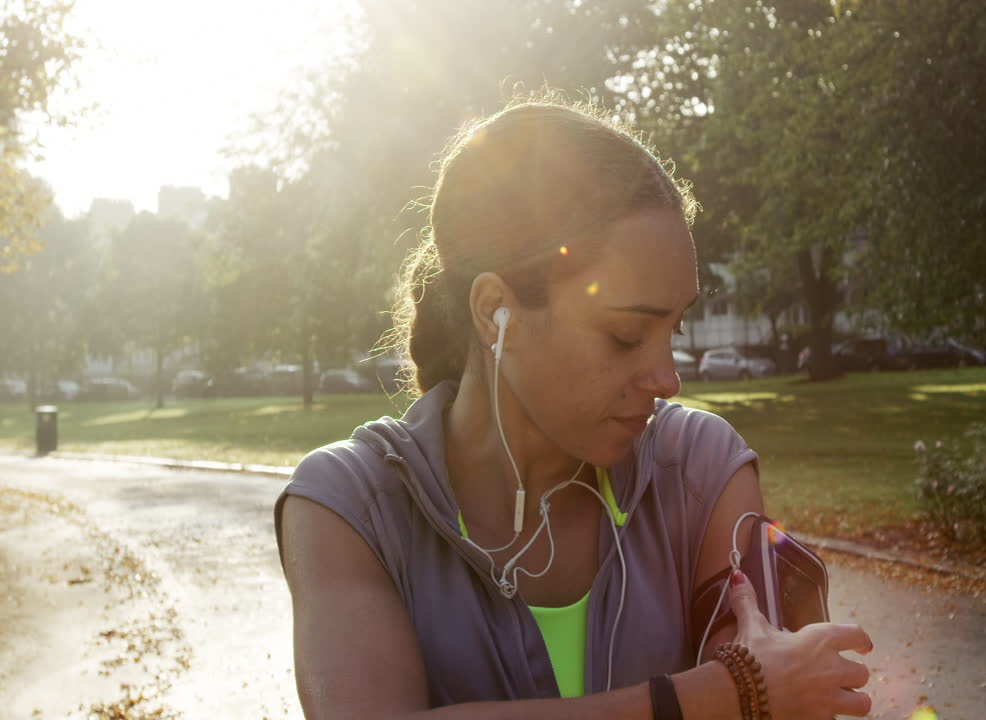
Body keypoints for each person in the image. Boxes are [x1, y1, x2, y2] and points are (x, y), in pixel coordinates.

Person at [274, 96, 873, 719]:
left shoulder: (700, 468)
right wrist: (715, 696)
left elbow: (773, 679)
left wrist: (753, 686)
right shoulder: (349, 507)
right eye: (625, 336)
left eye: (675, 329)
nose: (667, 378)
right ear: (493, 313)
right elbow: (751, 689)